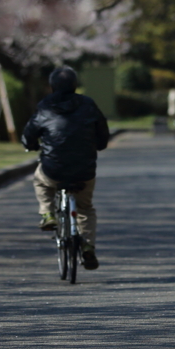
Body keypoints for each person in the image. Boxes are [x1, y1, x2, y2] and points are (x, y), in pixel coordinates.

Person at [21, 66, 109, 270]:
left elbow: (29, 134)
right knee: (85, 208)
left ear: (52, 86)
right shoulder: (88, 104)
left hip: (53, 168)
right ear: (75, 85)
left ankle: (47, 213)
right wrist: (99, 145)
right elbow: (102, 133)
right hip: (84, 170)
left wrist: (30, 145)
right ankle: (87, 246)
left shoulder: (45, 106)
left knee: (40, 180)